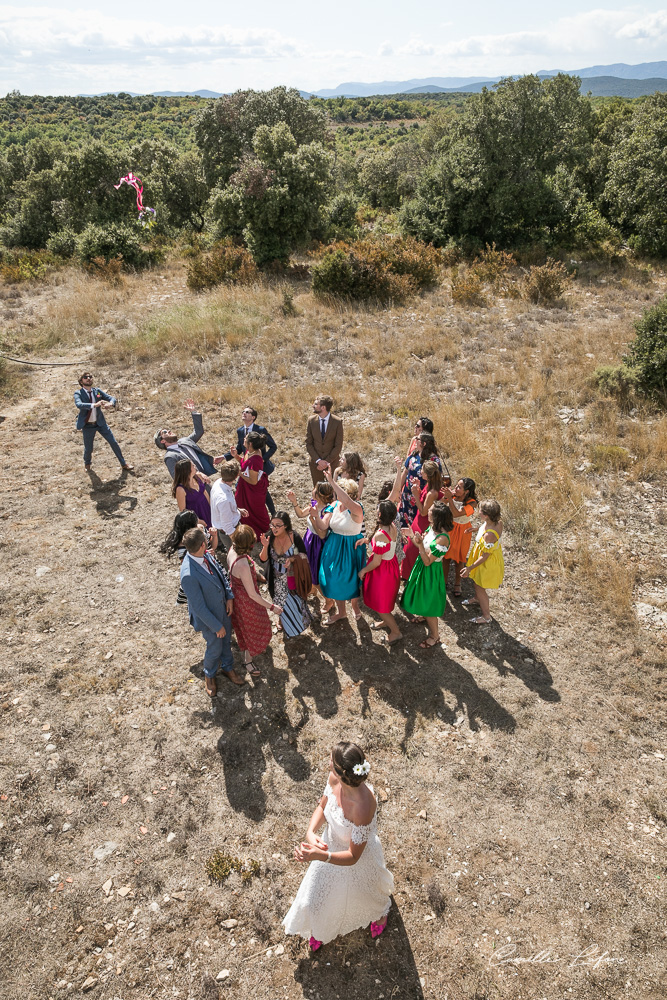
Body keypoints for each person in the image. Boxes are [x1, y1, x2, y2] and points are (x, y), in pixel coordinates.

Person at [283, 741, 393, 950]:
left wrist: (320, 856)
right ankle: (320, 928)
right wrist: (310, 832)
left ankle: (380, 914)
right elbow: (324, 805)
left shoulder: (363, 807)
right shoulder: (334, 779)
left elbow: (353, 856)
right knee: (315, 899)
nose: (328, 765)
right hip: (328, 848)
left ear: (344, 774)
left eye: (332, 763)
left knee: (365, 895)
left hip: (353, 859)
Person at [179, 527, 246, 696]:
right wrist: (216, 626)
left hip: (223, 609)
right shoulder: (188, 575)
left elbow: (221, 575)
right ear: (202, 545)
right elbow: (198, 607)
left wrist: (229, 597)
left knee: (226, 643)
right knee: (214, 647)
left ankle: (227, 667)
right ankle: (209, 674)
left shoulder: (205, 555)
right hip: (209, 620)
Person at [226, 524, 282, 676]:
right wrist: (272, 607)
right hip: (246, 602)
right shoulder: (243, 565)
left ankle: (251, 650)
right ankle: (248, 660)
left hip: (238, 595)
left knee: (245, 627)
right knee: (251, 629)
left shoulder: (232, 549)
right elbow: (252, 595)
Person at [316, 468, 366, 624]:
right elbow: (324, 526)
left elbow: (347, 501)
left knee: (351, 581)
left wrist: (332, 480)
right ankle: (342, 612)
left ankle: (355, 607)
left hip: (351, 548)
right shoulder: (334, 505)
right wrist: (313, 516)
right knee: (333, 579)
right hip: (334, 547)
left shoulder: (357, 508)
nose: (335, 493)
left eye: (338, 490)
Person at [402, 501, 453, 649]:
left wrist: (418, 545)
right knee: (422, 596)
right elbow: (423, 543)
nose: (427, 511)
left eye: (430, 510)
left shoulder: (442, 539)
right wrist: (412, 536)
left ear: (437, 516)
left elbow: (427, 561)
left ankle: (435, 636)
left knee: (429, 603)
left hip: (430, 572)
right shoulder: (432, 527)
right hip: (422, 567)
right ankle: (424, 616)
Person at [259, 511, 313, 638]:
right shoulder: (270, 537)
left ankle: (298, 625)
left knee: (296, 603)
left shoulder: (294, 537)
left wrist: (293, 559)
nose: (274, 528)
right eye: (272, 525)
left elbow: (304, 555)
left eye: (278, 525)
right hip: (276, 580)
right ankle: (284, 622)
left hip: (293, 577)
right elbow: (262, 559)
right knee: (280, 604)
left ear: (286, 526)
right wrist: (265, 547)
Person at [286, 482, 336, 616]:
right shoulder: (314, 503)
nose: (312, 490)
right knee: (308, 568)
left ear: (319, 495)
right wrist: (294, 502)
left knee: (315, 573)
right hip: (309, 539)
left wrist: (314, 518)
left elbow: (322, 534)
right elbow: (301, 514)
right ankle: (313, 589)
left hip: (318, 545)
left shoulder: (327, 511)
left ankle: (329, 600)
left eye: (315, 490)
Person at [358, 501, 401, 645]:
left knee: (380, 604)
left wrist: (363, 570)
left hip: (382, 572)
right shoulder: (392, 527)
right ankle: (385, 621)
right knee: (384, 600)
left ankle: (395, 632)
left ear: (380, 514)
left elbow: (376, 562)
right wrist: (366, 540)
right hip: (391, 566)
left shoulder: (380, 535)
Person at [74, 372, 133, 473]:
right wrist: (94, 404)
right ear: (81, 381)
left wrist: (111, 403)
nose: (88, 379)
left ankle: (123, 464)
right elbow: (79, 404)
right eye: (85, 377)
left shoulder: (97, 391)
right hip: (88, 426)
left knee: (113, 442)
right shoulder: (78, 393)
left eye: (90, 377)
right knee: (89, 448)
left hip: (100, 423)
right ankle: (87, 464)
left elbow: (111, 398)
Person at [225, 406, 278, 516]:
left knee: (261, 490)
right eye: (243, 411)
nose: (244, 413)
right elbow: (240, 449)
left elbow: (273, 446)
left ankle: (272, 512)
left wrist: (262, 460)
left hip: (259, 467)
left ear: (253, 417)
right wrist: (230, 456)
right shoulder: (240, 431)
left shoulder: (260, 430)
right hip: (247, 466)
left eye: (247, 412)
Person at [400, 460, 445, 582]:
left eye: (423, 471)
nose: (421, 472)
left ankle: (412, 577)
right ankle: (406, 575)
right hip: (417, 521)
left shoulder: (433, 492)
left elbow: (424, 512)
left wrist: (415, 494)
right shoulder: (429, 485)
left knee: (413, 550)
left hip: (423, 523)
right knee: (409, 549)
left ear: (427, 474)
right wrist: (419, 491)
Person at [461, 499, 504, 624]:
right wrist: (475, 530)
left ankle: (486, 616)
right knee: (476, 582)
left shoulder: (489, 535)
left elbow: (485, 556)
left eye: (480, 511)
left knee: (479, 585)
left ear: (486, 515)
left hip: (486, 563)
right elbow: (486, 527)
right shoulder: (497, 522)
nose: (478, 513)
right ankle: (477, 598)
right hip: (487, 557)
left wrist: (470, 568)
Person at [154, 399, 220, 480]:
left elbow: (199, 431)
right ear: (162, 441)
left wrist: (193, 412)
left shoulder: (185, 441)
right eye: (164, 432)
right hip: (195, 487)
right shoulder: (170, 457)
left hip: (209, 478)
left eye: (167, 429)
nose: (168, 431)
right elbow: (177, 478)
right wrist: (197, 476)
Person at [159, 510, 215, 605]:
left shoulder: (201, 531)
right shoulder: (182, 548)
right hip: (199, 574)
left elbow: (212, 544)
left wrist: (213, 538)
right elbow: (189, 564)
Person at [398, 431, 447, 528]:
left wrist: (419, 493)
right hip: (407, 495)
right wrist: (399, 489)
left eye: (418, 439)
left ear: (424, 443)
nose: (415, 440)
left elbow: (437, 479)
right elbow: (406, 472)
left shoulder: (433, 460)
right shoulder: (414, 454)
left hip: (422, 498)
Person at [441, 478, 478, 598]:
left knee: (459, 559)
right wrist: (446, 496)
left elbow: (457, 513)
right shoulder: (453, 496)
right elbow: (440, 504)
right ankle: (444, 581)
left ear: (466, 491)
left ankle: (458, 583)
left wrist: (450, 499)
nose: (456, 488)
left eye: (459, 487)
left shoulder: (472, 503)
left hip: (463, 531)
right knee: (445, 557)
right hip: (450, 528)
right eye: (456, 486)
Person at [232, 431, 271, 538]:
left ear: (250, 443)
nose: (243, 439)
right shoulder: (250, 451)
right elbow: (245, 464)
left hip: (252, 490)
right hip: (245, 486)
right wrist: (236, 456)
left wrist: (238, 473)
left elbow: (253, 481)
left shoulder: (256, 459)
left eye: (245, 439)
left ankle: (261, 531)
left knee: (255, 511)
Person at [210, 460, 248, 553]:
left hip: (226, 528)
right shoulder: (224, 500)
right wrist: (237, 541)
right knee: (236, 554)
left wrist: (237, 510)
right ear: (236, 476)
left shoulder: (218, 482)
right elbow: (227, 526)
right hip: (229, 532)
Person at [306, 395, 344, 486]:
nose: (313, 406)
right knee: (318, 490)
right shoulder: (311, 421)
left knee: (333, 489)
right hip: (316, 464)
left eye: (316, 404)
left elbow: (338, 445)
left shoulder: (337, 422)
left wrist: (326, 462)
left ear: (323, 407)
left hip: (332, 464)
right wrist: (319, 461)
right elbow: (308, 443)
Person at [172, 459, 216, 536]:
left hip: (206, 509)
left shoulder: (198, 477)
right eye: (192, 465)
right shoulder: (180, 489)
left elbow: (204, 493)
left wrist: (211, 508)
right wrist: (197, 521)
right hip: (197, 515)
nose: (195, 466)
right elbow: (183, 510)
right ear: (187, 470)